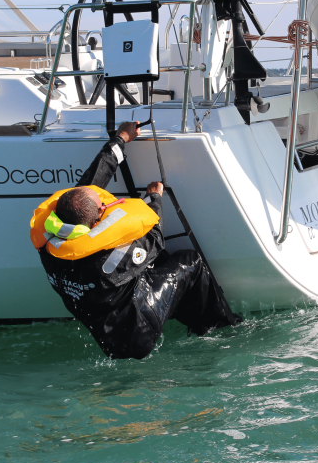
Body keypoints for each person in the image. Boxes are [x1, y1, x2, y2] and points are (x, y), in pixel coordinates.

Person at [30, 121, 240, 359]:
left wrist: (120, 139)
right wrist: (154, 199)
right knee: (189, 261)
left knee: (154, 266)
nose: (105, 203)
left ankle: (180, 308)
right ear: (96, 221)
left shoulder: (51, 246)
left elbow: (88, 187)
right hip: (139, 333)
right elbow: (155, 238)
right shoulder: (108, 261)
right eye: (102, 207)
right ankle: (223, 328)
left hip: (105, 334)